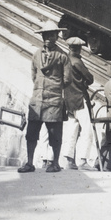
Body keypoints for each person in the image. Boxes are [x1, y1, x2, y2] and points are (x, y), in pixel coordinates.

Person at [18, 20, 71, 173]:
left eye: (52, 35)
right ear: (42, 37)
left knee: (55, 134)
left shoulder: (63, 56)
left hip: (53, 101)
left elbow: (67, 79)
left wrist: (52, 87)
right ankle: (29, 163)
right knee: (31, 133)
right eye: (46, 35)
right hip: (37, 100)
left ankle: (55, 163)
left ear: (57, 36)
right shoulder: (36, 55)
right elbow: (34, 75)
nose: (49, 38)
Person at [62, 36, 94, 170]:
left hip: (69, 100)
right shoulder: (77, 62)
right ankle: (82, 160)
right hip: (80, 99)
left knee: (71, 130)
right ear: (79, 49)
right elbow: (90, 78)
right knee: (87, 130)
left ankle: (68, 160)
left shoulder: (64, 61)